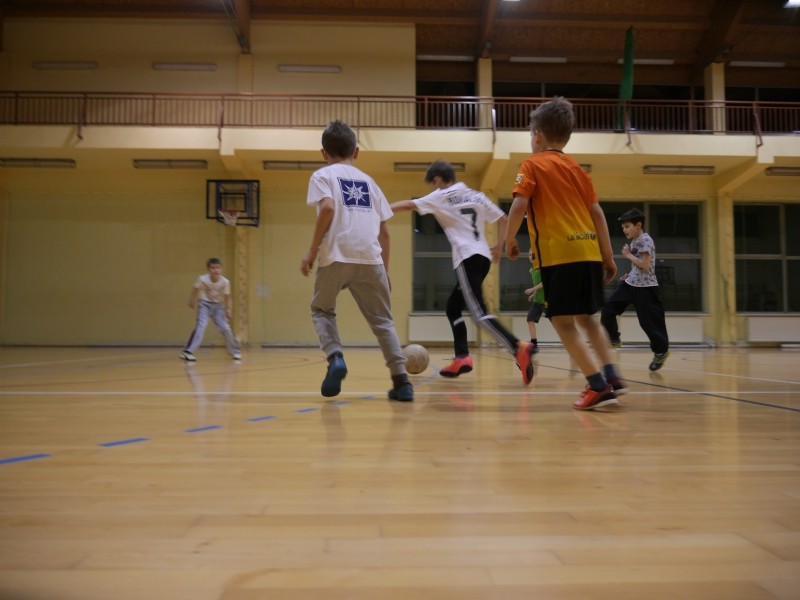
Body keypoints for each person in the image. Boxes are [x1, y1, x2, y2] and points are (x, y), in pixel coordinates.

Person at [505, 98, 627, 411]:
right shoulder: (578, 170)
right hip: (588, 251)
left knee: (562, 321)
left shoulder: (531, 165)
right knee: (587, 318)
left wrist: (509, 239)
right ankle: (612, 375)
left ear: (537, 135)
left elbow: (519, 205)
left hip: (560, 255)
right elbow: (597, 213)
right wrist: (608, 255)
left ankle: (597, 385)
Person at [390, 160, 536, 384]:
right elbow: (504, 220)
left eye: (432, 184)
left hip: (467, 257)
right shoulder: (477, 196)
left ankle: (517, 347)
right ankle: (462, 357)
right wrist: (500, 246)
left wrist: (382, 210)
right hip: (482, 257)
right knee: (453, 307)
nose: (433, 188)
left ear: (437, 180)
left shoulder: (441, 195)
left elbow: (410, 205)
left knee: (479, 313)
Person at [300, 120, 413, 402]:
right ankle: (402, 382)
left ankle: (335, 357)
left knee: (321, 310)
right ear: (357, 152)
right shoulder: (371, 183)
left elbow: (327, 207)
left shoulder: (323, 175)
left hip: (336, 255)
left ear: (324, 153)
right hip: (370, 258)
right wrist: (385, 270)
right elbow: (384, 232)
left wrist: (311, 251)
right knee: (383, 321)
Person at [601, 208, 670, 371]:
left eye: (627, 226)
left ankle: (661, 352)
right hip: (631, 284)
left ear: (638, 225)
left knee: (649, 324)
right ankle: (614, 339)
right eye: (623, 227)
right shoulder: (635, 240)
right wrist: (630, 274)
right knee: (608, 309)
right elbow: (639, 266)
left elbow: (645, 265)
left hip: (646, 288)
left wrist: (628, 255)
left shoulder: (645, 240)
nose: (624, 230)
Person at [180, 257, 241, 362]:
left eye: (218, 268)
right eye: (213, 268)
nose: (215, 270)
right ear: (208, 269)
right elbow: (195, 289)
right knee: (201, 326)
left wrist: (229, 309)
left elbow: (228, 296)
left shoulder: (225, 282)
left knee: (225, 328)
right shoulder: (202, 279)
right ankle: (188, 351)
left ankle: (234, 351)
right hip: (204, 304)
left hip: (218, 306)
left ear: (221, 269)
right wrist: (192, 300)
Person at [524, 250, 546, 353]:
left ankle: (569, 342)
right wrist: (533, 295)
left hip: (546, 301)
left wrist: (532, 289)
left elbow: (544, 282)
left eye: (533, 255)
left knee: (557, 323)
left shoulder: (542, 268)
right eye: (529, 255)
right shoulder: (531, 270)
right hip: (537, 301)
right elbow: (538, 285)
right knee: (530, 319)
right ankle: (534, 345)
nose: (531, 256)